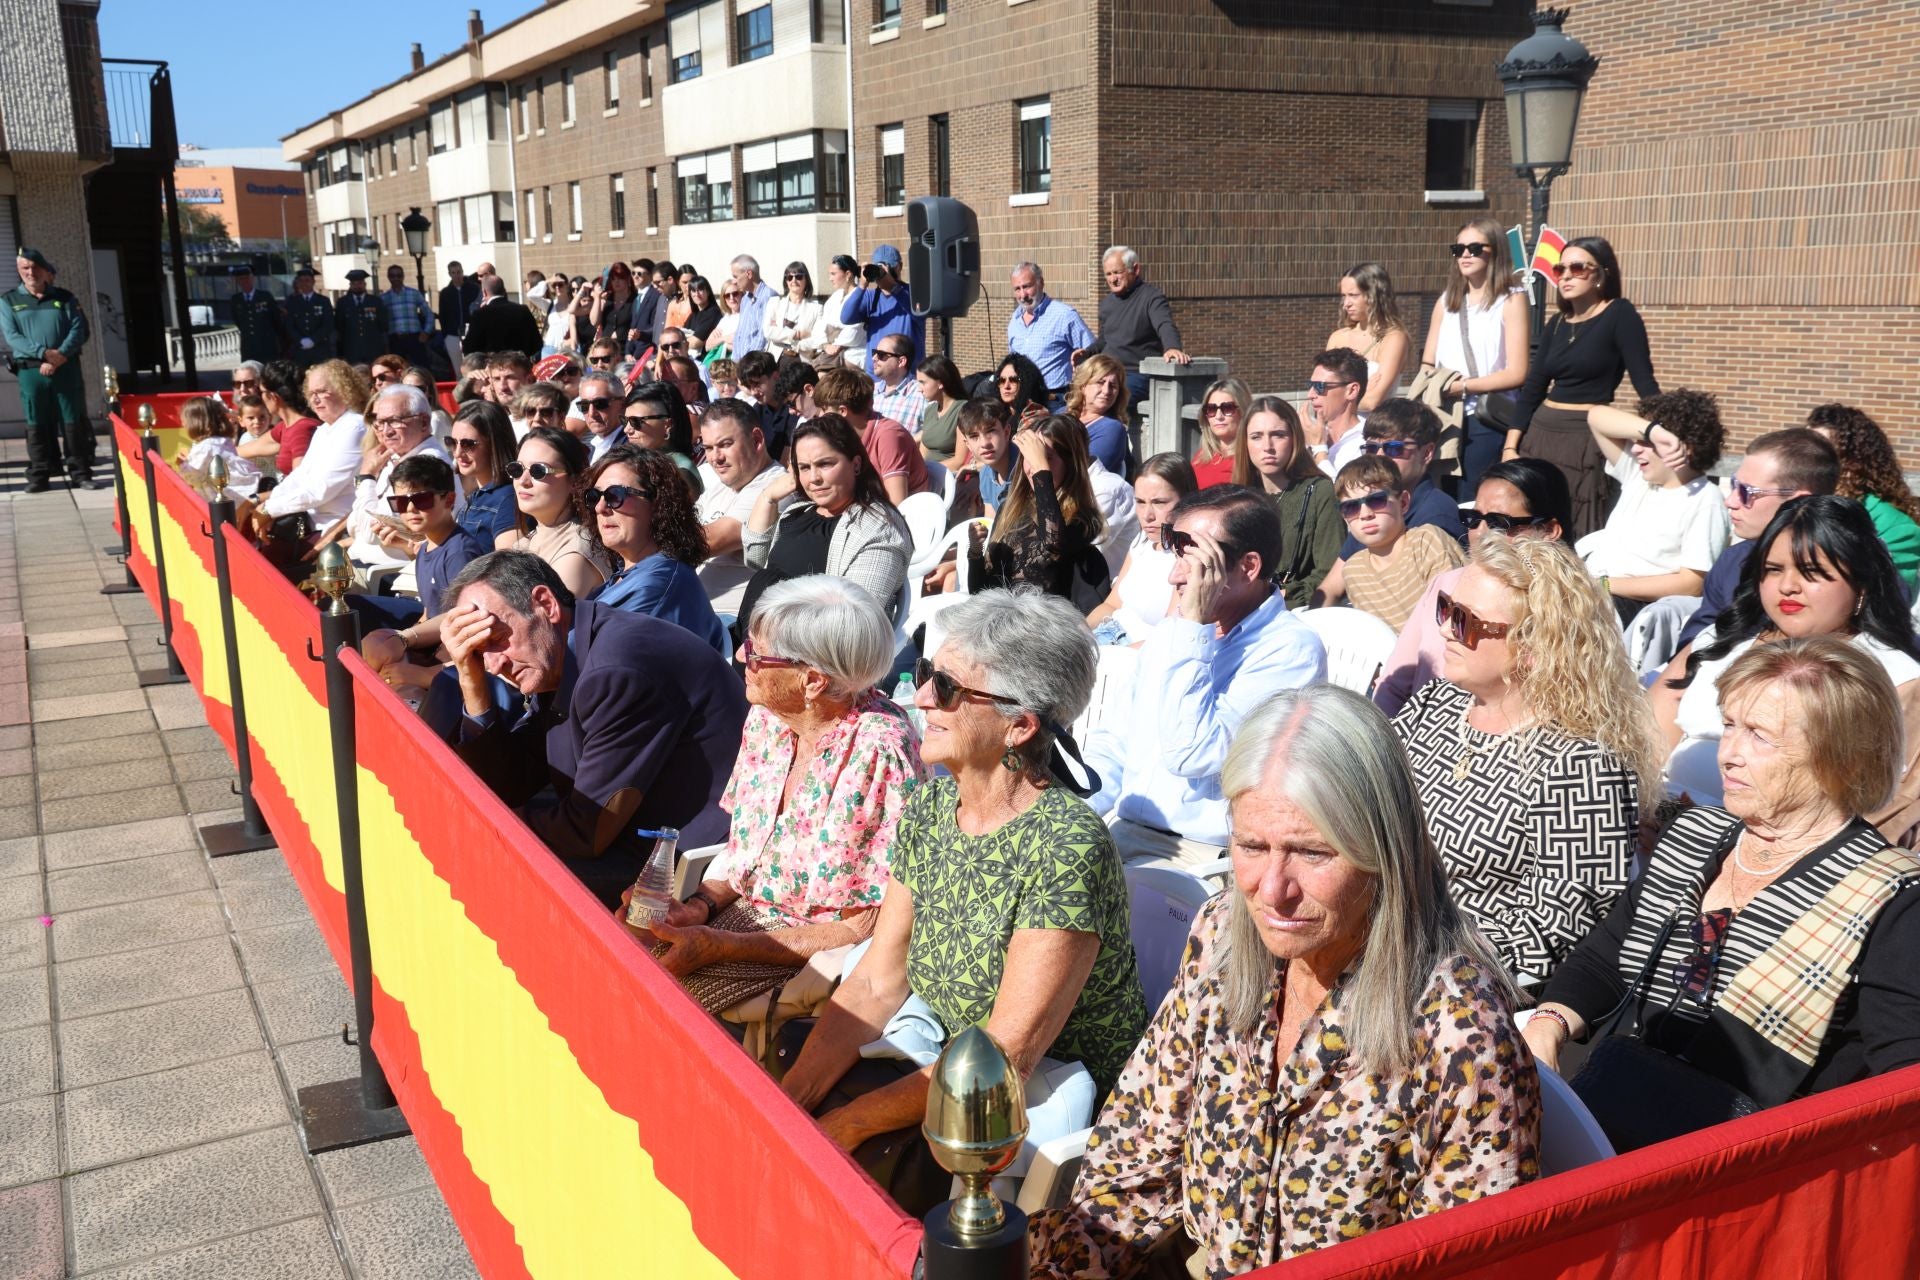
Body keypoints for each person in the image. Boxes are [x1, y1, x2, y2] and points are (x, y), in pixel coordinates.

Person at [1031, 686, 1540, 1276]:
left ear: (1385, 854)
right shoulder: (1223, 935)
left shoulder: (1461, 1038)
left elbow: (1465, 1263)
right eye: (1251, 845)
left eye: (1312, 853)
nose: (1272, 891)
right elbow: (1137, 1155)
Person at [778, 589, 1147, 1203]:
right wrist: (793, 1107)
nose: (920, 696)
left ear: (1019, 725)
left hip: (1032, 1111)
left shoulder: (1065, 847)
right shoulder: (930, 805)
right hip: (947, 1064)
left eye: (945, 688)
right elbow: (877, 981)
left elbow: (1006, 1059)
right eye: (926, 674)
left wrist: (841, 1128)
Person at [1529, 638, 1920, 1152]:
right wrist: (1548, 1023)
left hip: (1750, 1172)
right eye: (1730, 725)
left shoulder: (1892, 898)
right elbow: (1605, 959)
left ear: (1840, 760)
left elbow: (1901, 1088)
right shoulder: (1696, 837)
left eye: (1759, 736)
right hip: (1617, 1120)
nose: (1729, 753)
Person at [628, 576, 924, 1014]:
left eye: (758, 654)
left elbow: (869, 923)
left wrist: (725, 946)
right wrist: (700, 906)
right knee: (618, 961)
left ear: (812, 682)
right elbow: (748, 854)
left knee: (653, 1009)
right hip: (741, 924)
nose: (742, 656)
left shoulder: (878, 751)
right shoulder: (769, 718)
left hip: (813, 954)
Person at [1393, 536, 1660, 985]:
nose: (1443, 629)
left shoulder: (1583, 767)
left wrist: (1411, 947)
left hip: (1464, 984)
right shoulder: (1435, 704)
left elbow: (1555, 933)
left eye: (1465, 621)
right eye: (1445, 608)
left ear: (1534, 647)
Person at [445, 550, 747, 907]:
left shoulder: (617, 669)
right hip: (625, 830)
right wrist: (470, 679)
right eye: (479, 653)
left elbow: (585, 832)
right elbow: (510, 783)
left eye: (495, 640)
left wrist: (478, 826)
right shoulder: (559, 650)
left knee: (472, 869)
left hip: (682, 861)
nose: (493, 665)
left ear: (546, 604)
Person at [1085, 486, 1328, 868]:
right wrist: (1067, 815)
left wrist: (1193, 627)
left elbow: (1194, 754)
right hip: (1127, 832)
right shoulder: (1174, 633)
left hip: (1202, 856)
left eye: (1195, 560)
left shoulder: (1290, 650)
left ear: (1248, 567)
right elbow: (1114, 743)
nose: (1174, 577)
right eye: (1177, 556)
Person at [1653, 497, 1920, 843]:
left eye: (1811, 573)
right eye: (1773, 569)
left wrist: (1719, 844)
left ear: (1861, 584)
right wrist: (1652, 814)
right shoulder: (1723, 640)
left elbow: (1885, 812)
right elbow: (1647, 741)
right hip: (1658, 828)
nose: (1787, 586)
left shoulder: (1894, 677)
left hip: (1781, 862)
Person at [1373, 457, 1573, 717]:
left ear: (1549, 530)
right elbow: (1393, 685)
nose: (1480, 533)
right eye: (1473, 518)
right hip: (1417, 740)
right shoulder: (1445, 584)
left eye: (1498, 522)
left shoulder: (1566, 607)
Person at [1509, 236, 1660, 540]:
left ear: (1602, 274)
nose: (1565, 275)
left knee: (1577, 529)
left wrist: (1664, 433)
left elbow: (1645, 383)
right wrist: (1510, 446)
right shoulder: (1556, 323)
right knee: (1532, 524)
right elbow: (1533, 389)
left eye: (1577, 268)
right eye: (1560, 268)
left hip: (1585, 438)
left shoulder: (1620, 314)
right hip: (1540, 436)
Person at [739, 415, 911, 630]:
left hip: (805, 654)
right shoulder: (799, 511)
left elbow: (855, 621)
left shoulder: (877, 528)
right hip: (757, 642)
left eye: (825, 464)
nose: (814, 478)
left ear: (856, 464)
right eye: (804, 467)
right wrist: (768, 496)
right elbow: (755, 559)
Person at [1675, 429, 1838, 653]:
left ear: (1799, 501)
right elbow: (1694, 645)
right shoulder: (1734, 561)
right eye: (1733, 485)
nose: (1730, 501)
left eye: (1746, 491)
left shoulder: (1854, 570)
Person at [1577, 392, 1730, 622]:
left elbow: (1692, 584)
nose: (1636, 449)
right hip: (1592, 588)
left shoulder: (1705, 499)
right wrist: (1653, 431)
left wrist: (1604, 584)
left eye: (1647, 443)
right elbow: (1596, 416)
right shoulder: (1638, 475)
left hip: (1629, 606)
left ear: (1685, 447)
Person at [582, 445, 727, 654]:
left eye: (615, 495)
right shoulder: (632, 575)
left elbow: (584, 658)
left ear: (657, 504)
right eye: (595, 496)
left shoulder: (657, 584)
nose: (600, 507)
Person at [1421, 217, 1530, 493]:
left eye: (1474, 248)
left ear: (1495, 250)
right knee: (1441, 494)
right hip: (1445, 417)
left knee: (1473, 501)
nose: (1465, 255)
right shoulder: (1446, 302)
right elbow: (1427, 362)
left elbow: (1516, 372)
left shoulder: (1512, 299)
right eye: (1458, 250)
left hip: (1484, 418)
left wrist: (1463, 386)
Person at [966, 414, 1110, 613]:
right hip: (998, 621)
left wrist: (1043, 469)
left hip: (1042, 629)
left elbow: (1052, 543)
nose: (1033, 466)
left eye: (1046, 457)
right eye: (1028, 458)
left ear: (1070, 463)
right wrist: (975, 552)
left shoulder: (1082, 518)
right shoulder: (1010, 510)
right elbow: (979, 592)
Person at [1316, 456, 1465, 629]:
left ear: (1403, 503)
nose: (1365, 514)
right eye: (1351, 507)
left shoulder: (1426, 542)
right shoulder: (1353, 570)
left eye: (1376, 500)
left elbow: (1450, 622)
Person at [348, 454, 491, 634]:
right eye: (400, 502)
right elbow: (428, 611)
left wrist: (408, 639)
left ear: (449, 500)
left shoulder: (460, 553)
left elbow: (462, 620)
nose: (410, 509)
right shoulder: (424, 548)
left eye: (422, 500)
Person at [0, 247, 102, 492]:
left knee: (72, 421)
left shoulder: (65, 298)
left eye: (35, 267)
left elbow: (78, 330)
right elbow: (12, 337)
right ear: (19, 271)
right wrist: (45, 354)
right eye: (25, 268)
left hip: (65, 367)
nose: (30, 272)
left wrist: (58, 355)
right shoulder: (9, 301)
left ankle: (80, 473)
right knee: (37, 423)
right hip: (31, 371)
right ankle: (40, 474)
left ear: (46, 271)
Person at [244, 360, 370, 548]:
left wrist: (269, 509)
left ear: (344, 389)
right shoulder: (325, 429)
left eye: (322, 391)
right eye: (311, 394)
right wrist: (265, 505)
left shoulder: (355, 426)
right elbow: (299, 477)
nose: (315, 400)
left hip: (337, 533)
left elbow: (321, 488)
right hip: (311, 525)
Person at [1232, 395, 1342, 609]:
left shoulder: (1320, 490)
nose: (1267, 446)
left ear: (1294, 438)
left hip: (1298, 610)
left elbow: (1330, 568)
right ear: (1245, 443)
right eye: (1256, 436)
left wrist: (1286, 595)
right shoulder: (1238, 498)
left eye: (1278, 435)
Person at [1805, 403, 1920, 594]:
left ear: (1855, 461)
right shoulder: (1796, 503)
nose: (1805, 459)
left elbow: (1890, 603)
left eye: (1822, 452)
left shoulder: (1894, 527)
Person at [338, 382, 454, 573]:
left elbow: (369, 533)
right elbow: (354, 525)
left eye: (395, 421)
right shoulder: (394, 456)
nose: (386, 431)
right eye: (381, 423)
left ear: (424, 422)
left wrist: (366, 477)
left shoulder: (427, 464)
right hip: (360, 564)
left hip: (389, 574)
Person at [1087, 452, 1196, 646]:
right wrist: (1075, 634)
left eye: (1159, 503)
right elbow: (1112, 604)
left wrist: (1111, 656)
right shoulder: (1142, 542)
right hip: (1108, 636)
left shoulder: (1189, 557)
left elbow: (1167, 639)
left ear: (1186, 500)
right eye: (1140, 502)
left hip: (1136, 655)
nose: (1147, 515)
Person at [695, 399, 787, 618]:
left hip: (733, 625)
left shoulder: (776, 487)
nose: (715, 458)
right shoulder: (720, 487)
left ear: (756, 439)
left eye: (725, 444)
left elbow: (706, 541)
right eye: (708, 448)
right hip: (698, 616)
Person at [1341, 398, 1467, 550]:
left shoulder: (1437, 517)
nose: (1379, 456)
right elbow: (1339, 571)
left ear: (1426, 453)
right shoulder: (1367, 509)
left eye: (1393, 448)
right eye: (1371, 448)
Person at [1077, 245, 1187, 412]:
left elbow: (1164, 324)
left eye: (1117, 273)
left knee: (1106, 401)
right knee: (1076, 398)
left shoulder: (1151, 297)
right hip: (1107, 372)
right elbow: (1105, 340)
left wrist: (1172, 347)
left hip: (1136, 374)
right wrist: (1087, 353)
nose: (1112, 279)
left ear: (1135, 269)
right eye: (1108, 274)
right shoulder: (1107, 304)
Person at [506, 427, 613, 598]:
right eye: (517, 469)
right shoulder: (525, 543)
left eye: (538, 471)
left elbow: (546, 622)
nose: (523, 481)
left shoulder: (577, 552)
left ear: (575, 481)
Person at [812, 368, 930, 503]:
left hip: (903, 518)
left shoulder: (889, 436)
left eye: (823, 410)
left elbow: (897, 504)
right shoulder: (847, 437)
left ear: (843, 411)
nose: (819, 416)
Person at [1327, 261, 1411, 412]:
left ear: (1374, 295)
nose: (1346, 304)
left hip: (1372, 428)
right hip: (1334, 429)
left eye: (1353, 295)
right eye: (1343, 296)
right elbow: (1320, 390)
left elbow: (1373, 401)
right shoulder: (1337, 337)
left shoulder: (1393, 338)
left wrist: (1336, 398)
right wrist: (1361, 392)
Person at [1006, 261, 1094, 402]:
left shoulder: (1065, 316)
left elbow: (1092, 354)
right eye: (1017, 289)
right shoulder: (1014, 321)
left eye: (1027, 286)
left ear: (1041, 283)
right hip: (1024, 398)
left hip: (1055, 400)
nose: (1023, 295)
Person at [444, 399, 521, 548]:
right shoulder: (476, 496)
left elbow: (507, 566)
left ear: (494, 444)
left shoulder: (509, 499)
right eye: (452, 442)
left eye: (468, 444)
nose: (458, 452)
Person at [838, 244, 922, 377]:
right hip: (876, 377)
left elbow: (917, 310)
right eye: (878, 268)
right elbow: (846, 317)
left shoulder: (913, 293)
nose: (882, 272)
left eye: (887, 267)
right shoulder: (871, 297)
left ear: (899, 267)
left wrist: (893, 288)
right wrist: (862, 286)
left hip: (906, 378)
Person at [239, 360, 319, 478]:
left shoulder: (302, 430)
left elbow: (301, 484)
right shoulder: (285, 426)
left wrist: (257, 497)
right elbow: (251, 448)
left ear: (272, 396)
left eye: (261, 392)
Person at [619, 381, 702, 492]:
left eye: (636, 421)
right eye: (625, 421)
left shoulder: (681, 472)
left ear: (668, 425)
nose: (626, 429)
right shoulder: (635, 462)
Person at [173, 396, 260, 502]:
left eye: (185, 422)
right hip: (241, 491)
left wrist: (182, 464)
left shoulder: (206, 447)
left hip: (227, 497)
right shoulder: (222, 441)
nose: (183, 425)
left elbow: (194, 476)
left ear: (196, 422)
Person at [1304, 346, 1369, 479]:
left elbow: (1342, 497)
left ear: (1351, 391)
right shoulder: (1310, 434)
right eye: (1310, 385)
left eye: (1319, 387)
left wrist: (1319, 449)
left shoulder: (1368, 441)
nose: (1310, 394)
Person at [1065, 352, 1130, 477]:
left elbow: (1085, 474)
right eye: (1100, 382)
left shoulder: (1112, 428)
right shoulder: (1062, 413)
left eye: (1113, 386)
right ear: (1083, 385)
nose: (1106, 391)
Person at [801, 254, 866, 371]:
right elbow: (821, 324)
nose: (830, 278)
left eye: (833, 274)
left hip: (851, 350)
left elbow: (855, 329)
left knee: (823, 375)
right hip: (829, 347)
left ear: (848, 274)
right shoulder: (835, 297)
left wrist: (837, 345)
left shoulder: (861, 296)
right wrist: (825, 345)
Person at [957, 399, 1017, 514]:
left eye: (990, 432)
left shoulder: (1026, 470)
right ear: (967, 444)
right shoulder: (985, 474)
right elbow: (991, 521)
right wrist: (981, 531)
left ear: (1006, 432)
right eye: (974, 436)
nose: (984, 443)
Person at [464, 276, 542, 361]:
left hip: (493, 368)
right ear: (504, 290)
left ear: (484, 293)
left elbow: (470, 348)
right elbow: (537, 343)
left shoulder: (480, 314)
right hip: (520, 367)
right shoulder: (522, 310)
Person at [1189, 376, 1247, 488]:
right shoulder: (1202, 456)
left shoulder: (1247, 461)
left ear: (1242, 411)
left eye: (1228, 408)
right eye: (1211, 409)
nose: (1218, 416)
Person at [914, 354, 968, 465]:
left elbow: (960, 461)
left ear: (940, 383)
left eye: (923, 382)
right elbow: (923, 452)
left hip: (948, 476)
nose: (919, 389)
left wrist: (926, 470)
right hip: (927, 475)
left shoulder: (963, 410)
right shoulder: (930, 410)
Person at [762, 261, 822, 359]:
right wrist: (796, 334)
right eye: (789, 277)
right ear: (786, 281)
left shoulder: (816, 308)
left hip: (802, 359)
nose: (793, 281)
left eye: (798, 277)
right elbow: (768, 332)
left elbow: (817, 338)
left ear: (806, 280)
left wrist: (795, 345)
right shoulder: (775, 303)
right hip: (777, 358)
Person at [228, 265, 285, 367]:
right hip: (248, 345)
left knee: (269, 372)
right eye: (241, 279)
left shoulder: (265, 296)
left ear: (252, 279)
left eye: (247, 278)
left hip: (266, 344)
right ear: (237, 281)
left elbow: (276, 320)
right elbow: (237, 320)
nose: (245, 281)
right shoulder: (236, 300)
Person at [869, 335, 925, 433]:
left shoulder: (921, 393)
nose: (874, 358)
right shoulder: (870, 391)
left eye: (881, 354)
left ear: (901, 361)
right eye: (874, 353)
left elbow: (932, 433)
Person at [379, 264, 433, 366]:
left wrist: (426, 332)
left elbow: (429, 314)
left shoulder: (414, 293)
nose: (396, 278)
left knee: (422, 369)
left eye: (398, 275)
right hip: (395, 340)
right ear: (388, 277)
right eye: (392, 275)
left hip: (415, 338)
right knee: (397, 369)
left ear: (403, 276)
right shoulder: (383, 298)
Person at [284, 266, 335, 368]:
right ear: (298, 283)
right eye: (301, 281)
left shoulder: (323, 301)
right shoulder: (292, 302)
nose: (304, 284)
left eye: (307, 280)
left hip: (319, 349)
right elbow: (289, 325)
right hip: (300, 350)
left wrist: (313, 339)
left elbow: (328, 324)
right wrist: (300, 340)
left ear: (313, 282)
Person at [729, 255, 778, 357]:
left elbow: (763, 336)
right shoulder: (745, 299)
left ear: (749, 274)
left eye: (735, 276)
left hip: (755, 365)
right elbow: (740, 334)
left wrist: (749, 363)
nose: (733, 281)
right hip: (741, 365)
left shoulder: (769, 296)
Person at [334, 269, 386, 365]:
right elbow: (339, 325)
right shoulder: (343, 302)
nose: (357, 286)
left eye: (360, 283)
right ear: (350, 285)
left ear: (364, 284)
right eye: (354, 283)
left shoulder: (375, 301)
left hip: (373, 347)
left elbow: (383, 324)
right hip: (351, 348)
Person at [990, 352, 1050, 433]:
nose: (1006, 386)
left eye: (1013, 380)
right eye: (1002, 380)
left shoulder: (1035, 416)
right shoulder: (996, 412)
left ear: (1027, 383)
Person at [573, 369, 624, 462]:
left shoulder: (631, 450)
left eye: (600, 403)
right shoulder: (592, 448)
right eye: (584, 405)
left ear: (622, 404)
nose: (591, 413)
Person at [437, 260, 480, 367]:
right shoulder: (445, 293)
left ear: (462, 271)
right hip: (452, 335)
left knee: (473, 365)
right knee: (458, 368)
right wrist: (445, 334)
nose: (457, 275)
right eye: (453, 273)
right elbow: (443, 315)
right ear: (450, 274)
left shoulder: (474, 288)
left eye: (458, 272)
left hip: (471, 332)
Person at [591, 262, 639, 349]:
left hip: (627, 348)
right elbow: (594, 322)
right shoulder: (606, 299)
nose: (616, 282)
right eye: (613, 279)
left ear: (628, 279)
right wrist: (597, 298)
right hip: (606, 347)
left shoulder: (636, 300)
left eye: (620, 278)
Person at [682, 275, 722, 353]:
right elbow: (680, 334)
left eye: (700, 290)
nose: (696, 294)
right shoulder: (694, 315)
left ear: (708, 292)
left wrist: (681, 342)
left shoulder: (713, 313)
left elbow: (695, 343)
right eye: (693, 290)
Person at [540, 277, 577, 355]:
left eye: (560, 284)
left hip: (567, 348)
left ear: (567, 286)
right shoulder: (550, 304)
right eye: (554, 285)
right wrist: (547, 281)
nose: (557, 287)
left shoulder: (574, 306)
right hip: (549, 347)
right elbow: (531, 295)